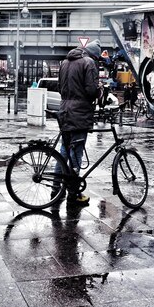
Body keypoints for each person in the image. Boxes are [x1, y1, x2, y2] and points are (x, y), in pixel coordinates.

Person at [54, 39, 101, 206]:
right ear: (94, 55)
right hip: (79, 113)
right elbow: (91, 90)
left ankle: (56, 190)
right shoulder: (88, 63)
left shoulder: (65, 62)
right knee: (76, 153)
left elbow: (60, 88)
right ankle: (73, 194)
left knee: (63, 151)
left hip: (64, 111)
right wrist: (99, 91)